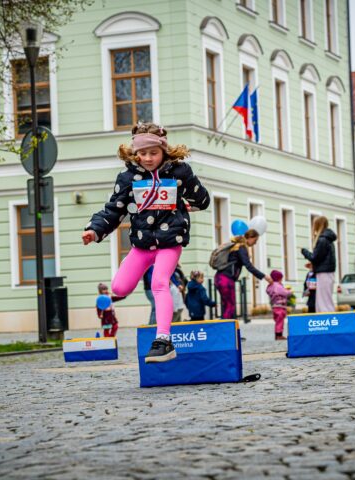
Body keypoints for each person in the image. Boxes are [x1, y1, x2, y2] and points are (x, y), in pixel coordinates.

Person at [82, 122, 210, 363]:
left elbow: (202, 201)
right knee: (119, 288)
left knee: (159, 283)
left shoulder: (178, 171)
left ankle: (163, 340)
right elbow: (114, 210)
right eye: (142, 153)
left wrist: (185, 194)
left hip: (170, 241)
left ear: (164, 151)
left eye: (153, 153)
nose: (148, 158)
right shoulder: (128, 177)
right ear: (135, 153)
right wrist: (94, 230)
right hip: (142, 244)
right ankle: (131, 268)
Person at [213, 218, 273, 320]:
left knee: (226, 305)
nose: (255, 243)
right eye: (255, 240)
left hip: (220, 278)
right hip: (226, 279)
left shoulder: (235, 246)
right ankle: (228, 329)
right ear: (250, 238)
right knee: (230, 306)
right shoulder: (241, 247)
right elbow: (248, 265)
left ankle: (228, 328)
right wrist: (264, 276)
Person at [302, 216, 337, 313]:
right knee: (325, 300)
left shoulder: (322, 240)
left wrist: (304, 252)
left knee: (323, 302)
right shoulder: (327, 239)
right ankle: (327, 319)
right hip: (327, 272)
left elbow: (315, 257)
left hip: (324, 273)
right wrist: (313, 264)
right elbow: (321, 257)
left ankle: (327, 319)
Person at [266, 270, 292, 340]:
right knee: (280, 321)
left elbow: (268, 291)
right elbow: (284, 292)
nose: (281, 280)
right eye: (281, 279)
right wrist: (290, 292)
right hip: (280, 307)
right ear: (278, 278)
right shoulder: (277, 286)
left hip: (275, 307)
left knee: (277, 321)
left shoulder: (271, 286)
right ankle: (279, 335)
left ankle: (277, 335)